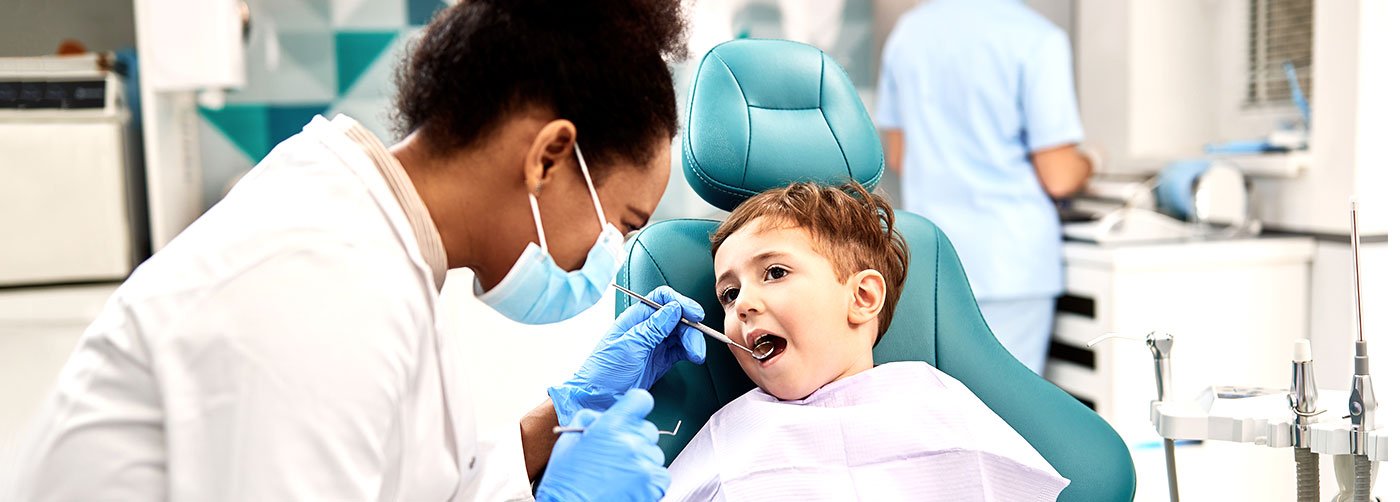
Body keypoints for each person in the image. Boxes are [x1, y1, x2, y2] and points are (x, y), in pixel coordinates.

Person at [7, 1, 707, 500]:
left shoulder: (379, 237)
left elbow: (406, 480)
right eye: (622, 222)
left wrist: (552, 428)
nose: (610, 255)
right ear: (549, 157)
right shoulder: (319, 280)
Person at [663, 182, 1068, 501]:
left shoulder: (937, 402)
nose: (743, 305)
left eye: (775, 273)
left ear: (862, 298)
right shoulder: (731, 434)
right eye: (729, 295)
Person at [875, 0, 1093, 374]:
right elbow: (1059, 175)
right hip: (1009, 262)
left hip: (932, 258)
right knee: (1007, 410)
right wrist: (1091, 162)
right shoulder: (1036, 38)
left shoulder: (909, 33)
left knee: (945, 402)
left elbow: (898, 156)